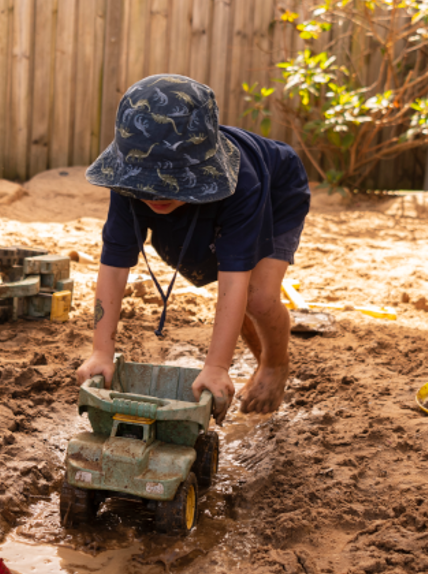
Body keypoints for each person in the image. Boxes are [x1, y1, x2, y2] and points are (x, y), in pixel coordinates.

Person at [75, 74, 311, 423]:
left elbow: (235, 277)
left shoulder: (242, 183)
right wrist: (101, 352)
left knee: (257, 296)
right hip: (197, 208)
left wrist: (216, 368)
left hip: (275, 188)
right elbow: (113, 264)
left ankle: (275, 364)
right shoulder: (128, 181)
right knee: (237, 291)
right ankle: (259, 354)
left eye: (167, 186)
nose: (156, 196)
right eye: (148, 186)